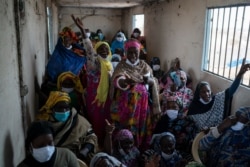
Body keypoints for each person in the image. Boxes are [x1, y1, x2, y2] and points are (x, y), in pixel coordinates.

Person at [110, 38, 161, 152]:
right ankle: (125, 149)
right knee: (126, 128)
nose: (133, 55)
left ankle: (139, 149)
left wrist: (149, 81)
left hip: (142, 106)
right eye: (130, 52)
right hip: (126, 107)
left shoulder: (144, 66)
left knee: (140, 126)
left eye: (135, 52)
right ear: (126, 52)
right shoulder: (121, 66)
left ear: (139, 53)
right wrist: (125, 82)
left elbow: (153, 82)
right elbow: (117, 79)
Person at [72, 15, 113, 148]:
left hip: (107, 99)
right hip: (95, 99)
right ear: (97, 52)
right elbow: (89, 49)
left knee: (106, 122)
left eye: (106, 49)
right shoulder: (94, 62)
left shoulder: (110, 65)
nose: (104, 51)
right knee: (95, 122)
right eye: (101, 49)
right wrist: (83, 31)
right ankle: (94, 146)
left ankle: (105, 143)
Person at [188, 59, 250, 131]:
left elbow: (231, 91)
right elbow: (190, 123)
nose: (207, 94)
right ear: (198, 93)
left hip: (217, 132)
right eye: (203, 92)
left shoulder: (217, 100)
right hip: (200, 135)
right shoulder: (194, 106)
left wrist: (240, 74)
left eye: (208, 91)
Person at [36, 91, 98, 164]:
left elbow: (91, 136)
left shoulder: (78, 120)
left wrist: (85, 150)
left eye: (66, 108)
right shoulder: (43, 123)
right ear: (52, 108)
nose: (64, 111)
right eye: (60, 108)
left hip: (76, 157)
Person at [153, 96, 197, 161]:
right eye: (168, 107)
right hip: (164, 152)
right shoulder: (162, 120)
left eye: (174, 107)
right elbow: (156, 138)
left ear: (179, 108)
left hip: (183, 152)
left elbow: (192, 140)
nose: (171, 110)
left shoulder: (188, 121)